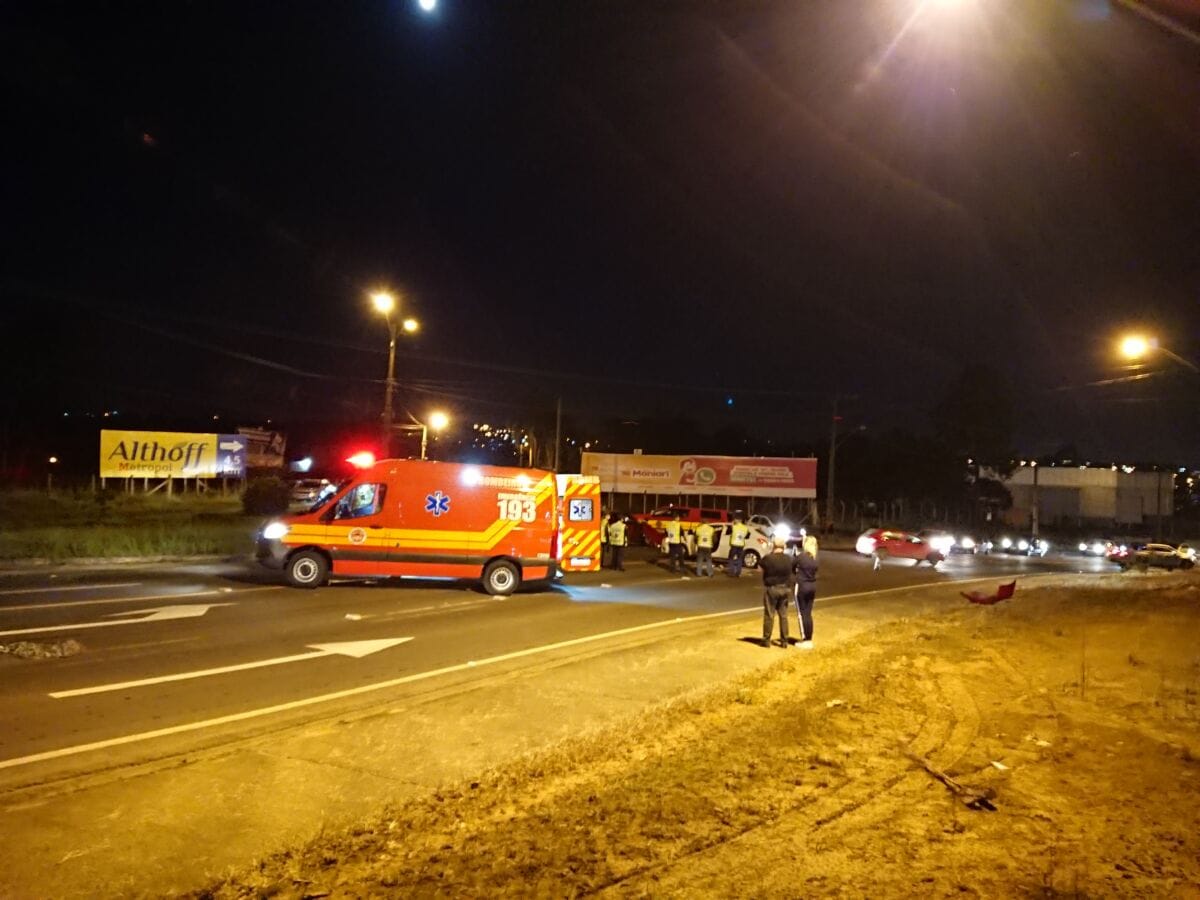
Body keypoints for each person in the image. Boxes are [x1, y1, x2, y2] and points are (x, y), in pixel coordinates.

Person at [759, 535, 794, 648]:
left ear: (773, 545)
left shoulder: (768, 558)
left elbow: (760, 568)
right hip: (785, 588)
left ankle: (766, 640)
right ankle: (784, 641)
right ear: (784, 546)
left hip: (772, 588)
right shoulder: (789, 558)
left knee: (769, 614)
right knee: (783, 615)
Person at [793, 535, 818, 649]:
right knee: (808, 614)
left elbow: (791, 566)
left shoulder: (801, 556)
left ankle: (805, 639)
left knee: (801, 614)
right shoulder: (814, 559)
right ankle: (809, 638)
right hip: (812, 586)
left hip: (802, 586)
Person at [727, 513, 749, 577]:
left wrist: (731, 524)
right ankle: (738, 573)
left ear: (737, 520)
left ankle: (732, 572)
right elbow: (747, 536)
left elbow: (728, 531)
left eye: (735, 520)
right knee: (739, 559)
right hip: (741, 545)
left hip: (734, 545)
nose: (734, 521)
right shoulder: (745, 528)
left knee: (731, 559)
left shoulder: (734, 527)